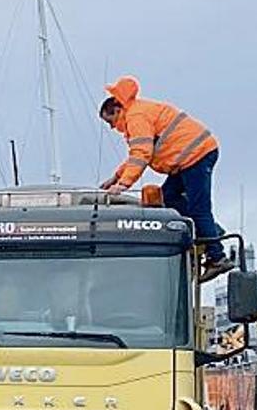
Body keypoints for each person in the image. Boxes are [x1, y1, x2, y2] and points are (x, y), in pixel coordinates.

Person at [98, 75, 233, 280]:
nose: (112, 127)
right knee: (169, 197)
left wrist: (123, 184)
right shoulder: (138, 113)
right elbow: (141, 152)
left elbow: (141, 154)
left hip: (196, 156)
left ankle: (217, 257)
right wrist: (115, 178)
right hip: (188, 159)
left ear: (118, 110)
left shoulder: (136, 118)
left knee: (199, 208)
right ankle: (212, 231)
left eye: (111, 121)